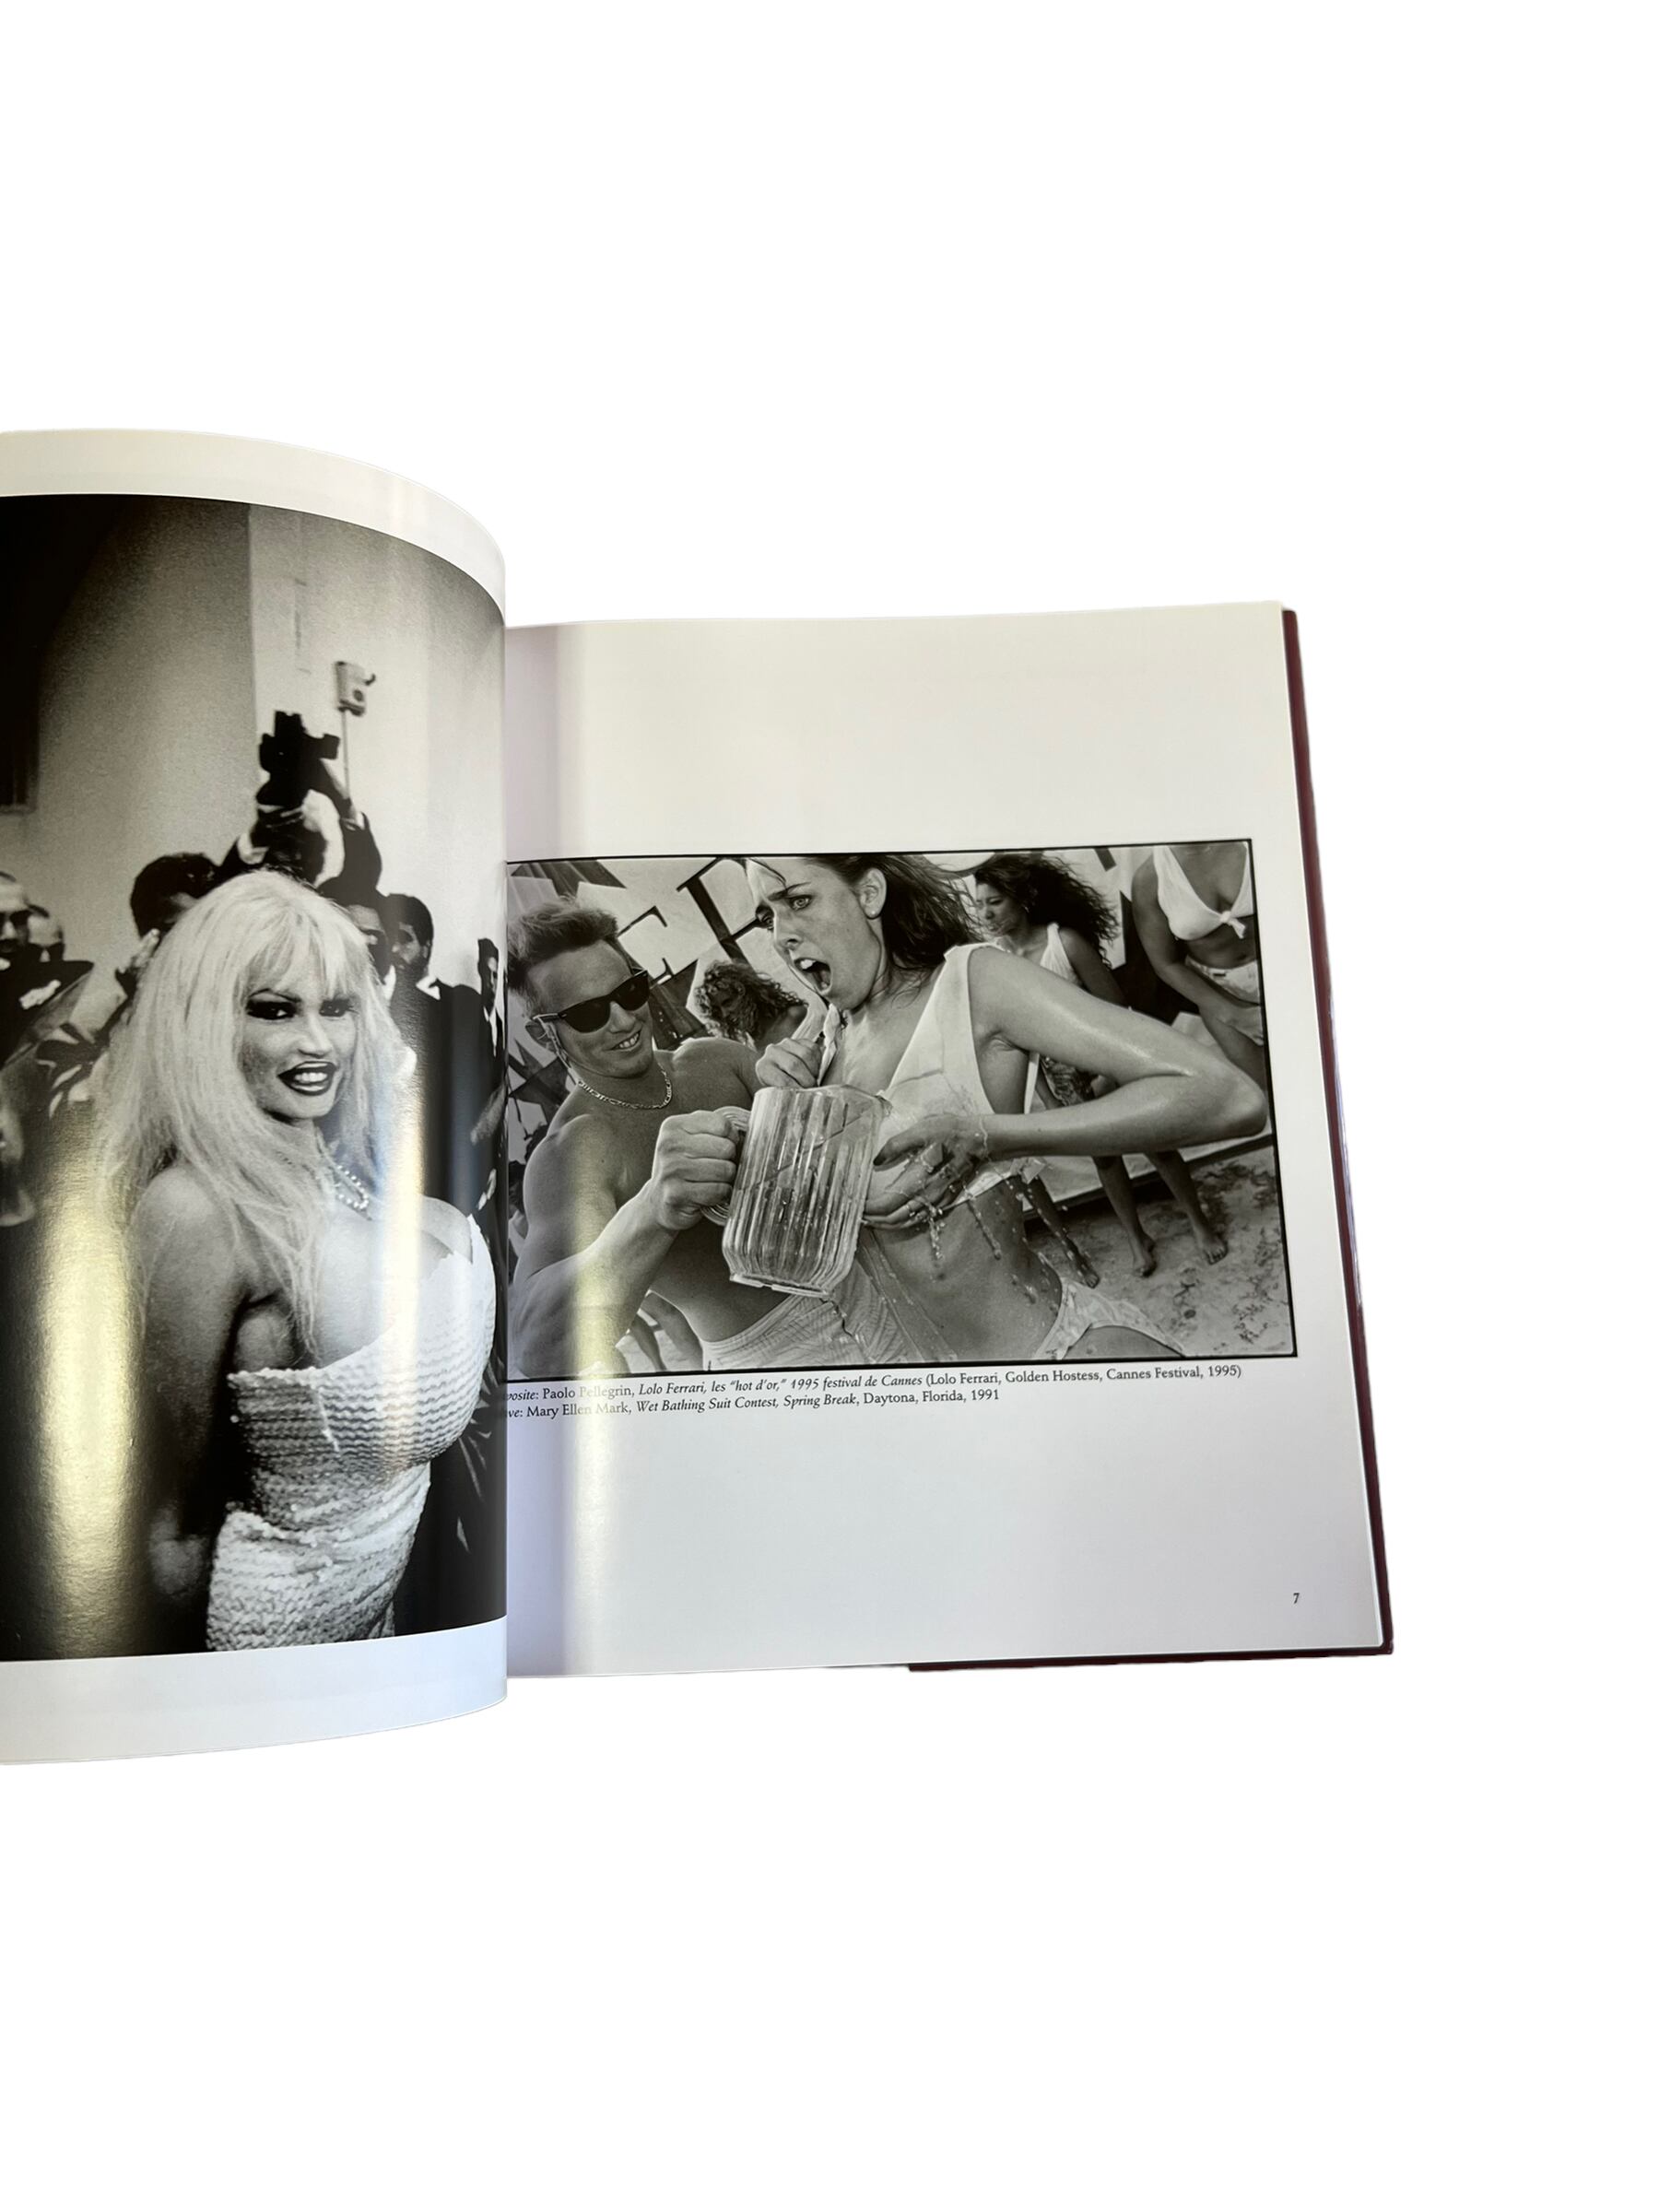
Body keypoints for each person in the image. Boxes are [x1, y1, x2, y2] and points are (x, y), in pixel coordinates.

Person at [100, 871, 495, 1651]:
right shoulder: (197, 1208)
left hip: (380, 1622)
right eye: (275, 1010)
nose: (317, 1042)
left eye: (336, 1008)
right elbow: (171, 1520)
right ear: (205, 1022)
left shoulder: (343, 1165)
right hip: (268, 1644)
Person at [747, 853, 1264, 1363]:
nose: (781, 935)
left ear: (869, 894)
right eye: (767, 916)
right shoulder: (823, 1040)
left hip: (1041, 1357)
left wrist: (992, 1136)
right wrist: (774, 1124)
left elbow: (1225, 1096)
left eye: (799, 901)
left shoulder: (972, 983)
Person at [507, 898, 906, 1376]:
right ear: (546, 1034)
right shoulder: (575, 1149)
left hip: (878, 1305)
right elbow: (537, 1350)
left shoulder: (715, 1059)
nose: (624, 1019)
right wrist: (653, 1207)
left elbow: (851, 1165)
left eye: (630, 991)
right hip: (772, 1364)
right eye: (589, 1013)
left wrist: (809, 1087)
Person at [972, 852, 1230, 1268]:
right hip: (1061, 1077)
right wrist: (1049, 1097)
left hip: (1109, 1061)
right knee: (1104, 1159)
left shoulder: (1065, 943)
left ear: (1022, 899)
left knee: (1156, 1144)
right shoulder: (997, 963)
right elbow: (1018, 1039)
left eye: (995, 902)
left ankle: (1199, 1223)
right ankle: (1136, 1237)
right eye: (979, 904)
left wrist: (1113, 1070)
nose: (985, 913)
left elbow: (1116, 1010)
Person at [1130, 842, 1266, 1090]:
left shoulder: (1250, 845)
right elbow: (1165, 964)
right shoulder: (1150, 878)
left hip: (1280, 972)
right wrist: (1234, 1015)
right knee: (1264, 1084)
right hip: (1218, 990)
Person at [692, 959, 807, 1053]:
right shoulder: (746, 1046)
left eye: (727, 1002)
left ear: (744, 993)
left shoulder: (794, 1016)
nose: (725, 1014)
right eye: (717, 1011)